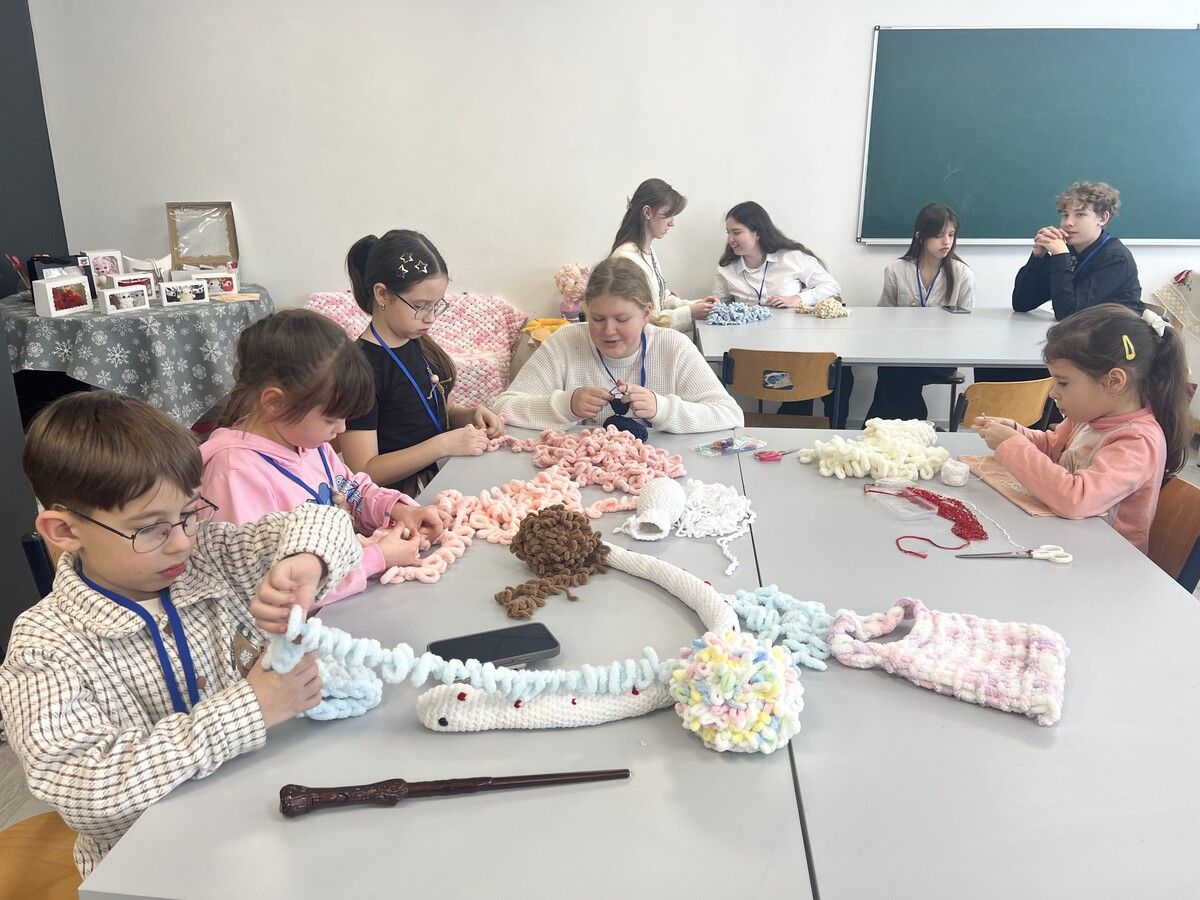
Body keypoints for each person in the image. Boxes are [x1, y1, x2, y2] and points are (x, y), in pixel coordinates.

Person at [0, 390, 363, 877]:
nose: (181, 542)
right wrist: (251, 709)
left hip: (269, 820)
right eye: (150, 529)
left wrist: (306, 560)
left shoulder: (211, 556)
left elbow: (327, 521)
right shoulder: (43, 646)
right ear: (64, 531)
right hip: (152, 868)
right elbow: (84, 789)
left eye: (190, 513)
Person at [200, 310, 447, 604]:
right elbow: (268, 591)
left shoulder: (307, 442)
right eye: (331, 419)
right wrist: (375, 559)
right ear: (275, 403)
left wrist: (398, 510)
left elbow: (351, 491)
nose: (341, 430)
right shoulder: (234, 474)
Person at [972, 304, 1189, 554]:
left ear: (1114, 381)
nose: (1053, 393)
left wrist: (1012, 446)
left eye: (1063, 383)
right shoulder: (1089, 415)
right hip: (1066, 542)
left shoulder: (1137, 442)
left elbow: (1076, 499)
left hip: (1105, 560)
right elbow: (1052, 448)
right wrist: (1016, 432)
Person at [490, 256, 743, 433]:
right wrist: (566, 405)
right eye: (597, 318)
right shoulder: (565, 343)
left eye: (622, 319)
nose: (608, 330)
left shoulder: (673, 347)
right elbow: (503, 406)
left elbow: (730, 414)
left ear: (646, 314)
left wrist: (663, 409)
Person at [339, 230, 506, 496]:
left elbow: (440, 409)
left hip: (441, 475)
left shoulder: (417, 340)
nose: (430, 318)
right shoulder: (359, 369)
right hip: (399, 499)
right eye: (421, 306)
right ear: (382, 294)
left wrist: (470, 415)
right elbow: (363, 470)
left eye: (436, 306)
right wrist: (442, 445)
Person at [712, 201, 850, 425]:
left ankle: (828, 429)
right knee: (798, 387)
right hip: (753, 351)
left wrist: (798, 298)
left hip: (797, 344)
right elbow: (718, 307)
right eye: (728, 233)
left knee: (842, 376)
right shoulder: (727, 269)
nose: (731, 240)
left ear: (757, 232)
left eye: (737, 232)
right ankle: (793, 422)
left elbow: (832, 287)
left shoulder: (791, 257)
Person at [866, 203, 975, 420]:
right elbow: (884, 316)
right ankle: (913, 424)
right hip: (901, 349)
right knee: (895, 367)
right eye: (939, 235)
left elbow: (966, 323)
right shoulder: (896, 270)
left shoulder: (962, 274)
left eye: (951, 235)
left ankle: (882, 425)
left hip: (941, 355)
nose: (946, 242)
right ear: (920, 236)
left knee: (899, 372)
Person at [1012, 181, 1141, 321]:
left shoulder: (1117, 257)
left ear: (1102, 218)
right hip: (1083, 330)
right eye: (1065, 215)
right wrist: (1038, 257)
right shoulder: (1068, 249)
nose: (1068, 222)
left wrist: (1061, 256)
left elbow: (1067, 315)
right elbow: (1021, 303)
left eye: (1079, 214)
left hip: (1118, 332)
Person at [609, 178, 717, 332]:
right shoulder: (626, 259)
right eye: (668, 215)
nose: (672, 223)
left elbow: (660, 298)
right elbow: (642, 321)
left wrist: (697, 305)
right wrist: (690, 313)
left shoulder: (647, 251)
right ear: (647, 212)